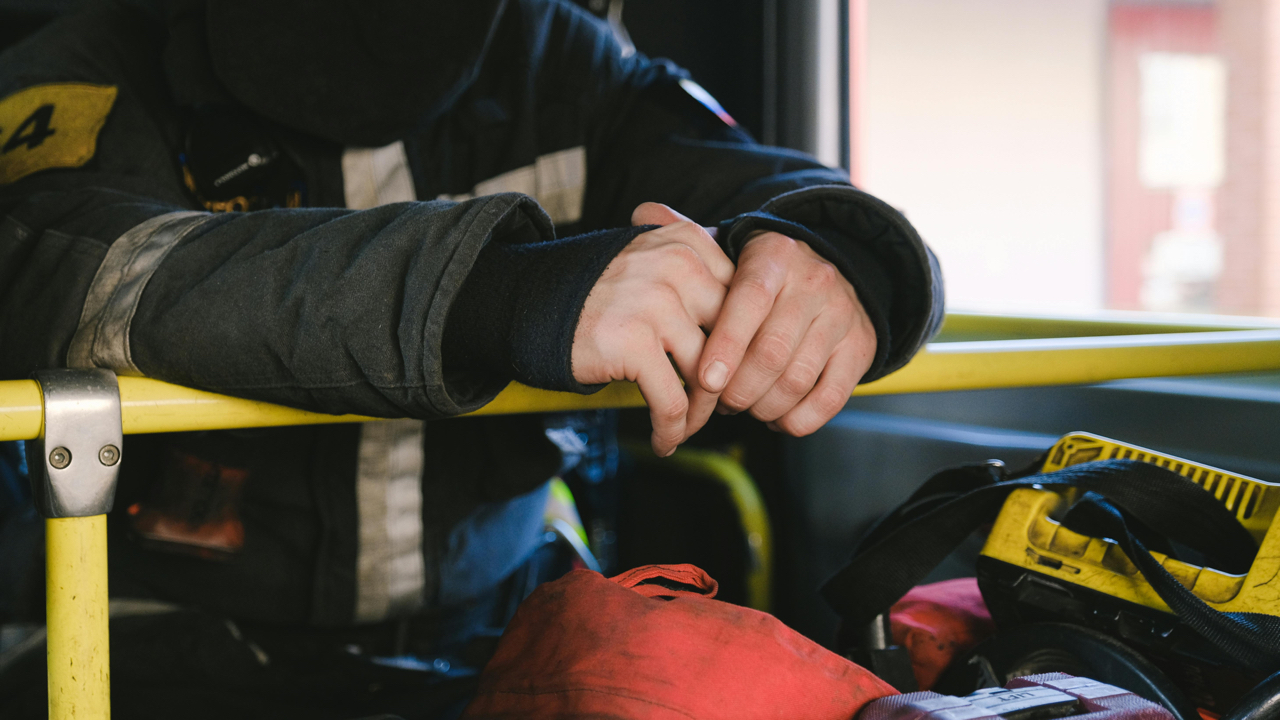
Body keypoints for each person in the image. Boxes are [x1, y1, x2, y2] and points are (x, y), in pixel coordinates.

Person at [0, 0, 944, 717]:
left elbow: (753, 175)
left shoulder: (561, 59)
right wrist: (503, 294)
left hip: (499, 620)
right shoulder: (100, 50)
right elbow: (54, 265)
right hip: (142, 629)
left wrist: (835, 251)